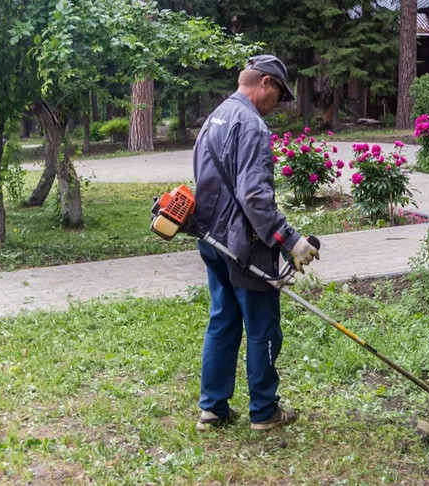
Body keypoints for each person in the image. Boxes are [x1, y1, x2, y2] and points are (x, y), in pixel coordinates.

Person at [191, 54, 319, 431]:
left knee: (223, 321)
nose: (278, 102)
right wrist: (290, 240)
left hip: (211, 239)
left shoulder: (215, 117)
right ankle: (264, 411)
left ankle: (212, 409)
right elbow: (254, 197)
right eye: (278, 92)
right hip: (244, 246)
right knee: (262, 326)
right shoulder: (251, 125)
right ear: (264, 82)